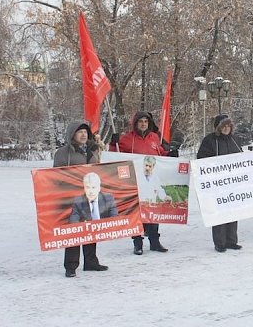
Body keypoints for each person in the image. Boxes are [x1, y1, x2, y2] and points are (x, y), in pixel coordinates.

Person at [53, 120, 108, 278]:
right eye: (80, 132)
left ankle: (91, 262)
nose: (83, 134)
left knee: (91, 229)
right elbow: (56, 175)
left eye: (85, 132)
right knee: (74, 231)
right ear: (72, 134)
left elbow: (99, 171)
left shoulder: (92, 150)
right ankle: (71, 266)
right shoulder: (63, 153)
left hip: (90, 197)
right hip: (73, 198)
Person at [111, 111, 169, 255]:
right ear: (135, 123)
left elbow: (160, 155)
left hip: (151, 182)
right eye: (140, 121)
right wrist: (113, 144)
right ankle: (138, 243)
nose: (143, 124)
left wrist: (170, 154)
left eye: (146, 122)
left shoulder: (154, 137)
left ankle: (155, 242)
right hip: (135, 183)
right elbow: (114, 156)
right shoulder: (127, 139)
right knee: (137, 214)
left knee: (152, 211)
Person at [197, 114, 243, 252]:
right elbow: (201, 158)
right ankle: (220, 242)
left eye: (229, 126)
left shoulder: (234, 140)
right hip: (216, 183)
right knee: (219, 213)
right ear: (218, 127)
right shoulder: (210, 140)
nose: (226, 129)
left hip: (232, 182)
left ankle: (231, 240)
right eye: (224, 126)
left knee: (233, 211)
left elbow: (241, 156)